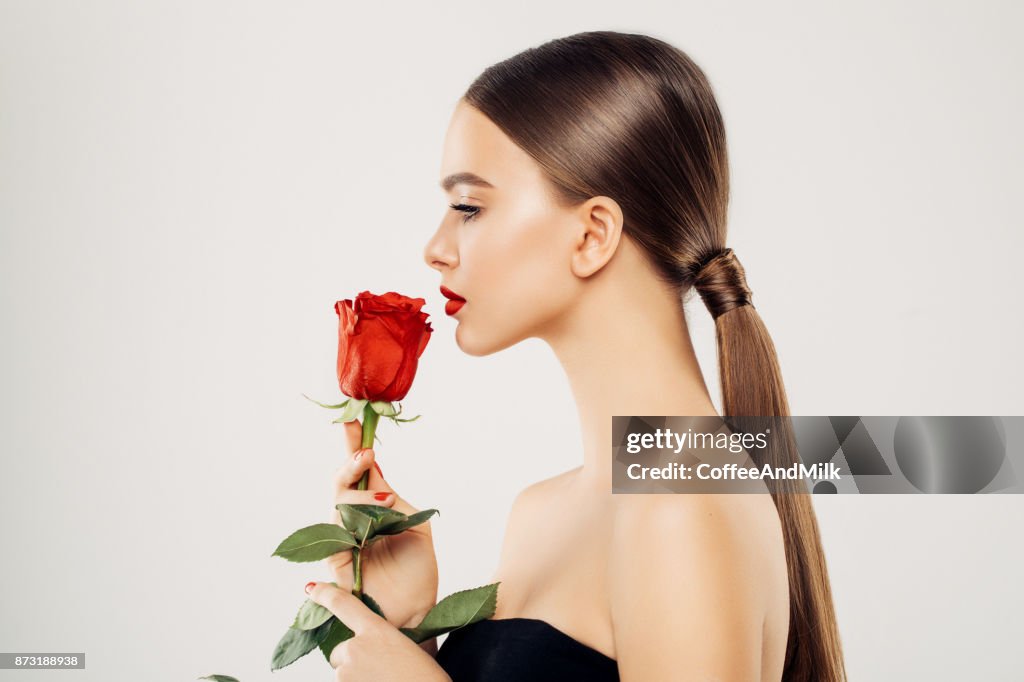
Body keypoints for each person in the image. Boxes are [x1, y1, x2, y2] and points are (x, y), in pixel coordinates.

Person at [305, 30, 848, 681]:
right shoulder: (541, 512)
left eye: (469, 206)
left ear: (593, 235)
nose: (436, 247)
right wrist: (410, 627)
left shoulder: (684, 507)